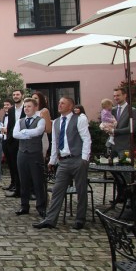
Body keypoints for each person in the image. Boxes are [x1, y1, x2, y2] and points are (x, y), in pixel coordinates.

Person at [34, 96, 91, 230]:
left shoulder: (80, 119)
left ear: (70, 106)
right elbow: (54, 142)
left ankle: (80, 219)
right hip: (63, 160)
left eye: (63, 103)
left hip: (77, 158)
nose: (59, 105)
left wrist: (84, 158)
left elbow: (86, 139)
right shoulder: (57, 122)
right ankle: (50, 219)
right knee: (57, 190)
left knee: (81, 190)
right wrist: (53, 160)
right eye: (59, 103)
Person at [13, 98, 47, 217]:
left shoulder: (40, 120)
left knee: (38, 181)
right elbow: (14, 134)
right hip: (22, 153)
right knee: (24, 181)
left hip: (35, 154)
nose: (26, 109)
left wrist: (24, 133)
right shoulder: (20, 120)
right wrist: (28, 133)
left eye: (29, 106)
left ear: (35, 107)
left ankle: (41, 207)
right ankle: (24, 206)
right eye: (25, 107)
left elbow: (38, 132)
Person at [3, 90, 26, 197]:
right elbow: (10, 126)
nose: (15, 96)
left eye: (17, 94)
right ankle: (17, 189)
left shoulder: (26, 108)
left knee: (24, 166)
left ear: (22, 96)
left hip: (24, 140)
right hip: (12, 142)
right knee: (14, 166)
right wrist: (8, 140)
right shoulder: (11, 110)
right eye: (13, 95)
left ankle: (26, 190)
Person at [109, 87, 136, 157]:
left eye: (118, 95)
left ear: (125, 95)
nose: (115, 98)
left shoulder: (132, 110)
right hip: (112, 146)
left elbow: (131, 128)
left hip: (124, 147)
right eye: (114, 96)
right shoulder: (112, 110)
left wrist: (114, 131)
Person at [32, 91, 52, 159]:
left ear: (41, 99)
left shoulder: (44, 111)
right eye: (32, 98)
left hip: (42, 139)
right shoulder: (30, 111)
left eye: (36, 98)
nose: (33, 100)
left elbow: (49, 129)